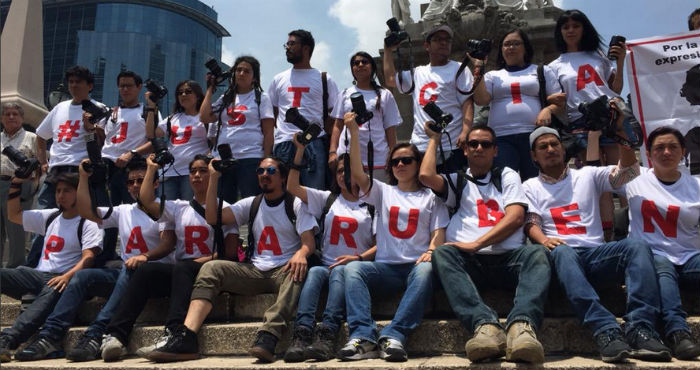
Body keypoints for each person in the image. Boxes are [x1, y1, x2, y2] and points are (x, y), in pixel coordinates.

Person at [523, 113, 672, 362]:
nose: (550, 149)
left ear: (563, 148)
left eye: (554, 144)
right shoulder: (529, 186)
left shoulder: (588, 174)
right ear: (534, 156)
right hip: (561, 257)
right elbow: (531, 222)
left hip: (595, 254)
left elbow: (626, 175)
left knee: (636, 246)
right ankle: (606, 330)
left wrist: (624, 142)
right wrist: (544, 240)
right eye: (543, 147)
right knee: (562, 251)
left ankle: (641, 328)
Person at [145, 155, 317, 363]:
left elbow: (309, 242)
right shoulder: (251, 204)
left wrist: (301, 253)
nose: (264, 175)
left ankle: (269, 336)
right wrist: (215, 178)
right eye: (260, 171)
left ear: (283, 178)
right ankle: (187, 336)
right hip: (255, 270)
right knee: (212, 268)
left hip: (284, 269)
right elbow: (212, 218)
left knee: (297, 270)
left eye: (271, 171)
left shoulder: (296, 204)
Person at [13, 158, 176, 362]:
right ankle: (50, 336)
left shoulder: (164, 209)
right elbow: (86, 211)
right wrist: (83, 177)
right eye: (130, 182)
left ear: (154, 183)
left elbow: (168, 244)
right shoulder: (123, 210)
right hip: (127, 274)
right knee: (82, 276)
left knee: (131, 267)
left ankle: (96, 333)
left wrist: (145, 256)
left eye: (141, 180)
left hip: (155, 274)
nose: (135, 185)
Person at [422, 123, 550, 364]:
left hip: (509, 259)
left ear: (495, 150)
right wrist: (434, 139)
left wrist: (477, 243)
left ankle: (522, 328)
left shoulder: (507, 175)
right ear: (465, 150)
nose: (479, 148)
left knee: (537, 254)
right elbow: (426, 176)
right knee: (442, 254)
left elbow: (516, 217)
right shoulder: (457, 180)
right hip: (471, 263)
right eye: (473, 144)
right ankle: (486, 327)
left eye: (486, 144)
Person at [99, 154, 238, 361]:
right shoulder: (179, 207)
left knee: (182, 267)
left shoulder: (226, 209)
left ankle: (173, 333)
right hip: (182, 273)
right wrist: (151, 168)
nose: (197, 175)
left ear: (213, 173)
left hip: (210, 271)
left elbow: (230, 252)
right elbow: (146, 201)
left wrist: (195, 263)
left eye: (203, 170)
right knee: (145, 269)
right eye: (193, 172)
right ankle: (116, 335)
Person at [337, 113, 449, 362]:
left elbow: (438, 233)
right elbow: (357, 173)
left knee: (426, 269)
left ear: (417, 164)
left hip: (415, 267)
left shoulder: (431, 197)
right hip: (385, 267)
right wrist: (354, 133)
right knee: (353, 269)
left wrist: (431, 251)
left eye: (407, 160)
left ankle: (394, 335)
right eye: (395, 161)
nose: (400, 165)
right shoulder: (383, 192)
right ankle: (363, 337)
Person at [283, 134, 376, 362]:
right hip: (325, 264)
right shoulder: (327, 199)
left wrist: (358, 258)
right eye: (340, 171)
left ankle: (328, 334)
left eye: (349, 169)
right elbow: (292, 186)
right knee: (314, 272)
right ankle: (302, 334)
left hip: (353, 267)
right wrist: (300, 151)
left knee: (341, 272)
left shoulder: (373, 204)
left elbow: (381, 244)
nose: (344, 175)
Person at [0, 173, 103, 363]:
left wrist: (67, 276)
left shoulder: (88, 221)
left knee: (52, 285)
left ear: (79, 193)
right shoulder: (51, 217)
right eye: (58, 191)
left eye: (67, 191)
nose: (60, 195)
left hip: (65, 279)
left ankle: (8, 338)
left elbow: (89, 258)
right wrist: (15, 184)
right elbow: (13, 215)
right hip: (37, 276)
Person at [617, 126, 700, 360]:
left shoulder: (696, 186)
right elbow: (618, 171)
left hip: (689, 258)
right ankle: (678, 332)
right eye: (659, 148)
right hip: (652, 257)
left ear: (683, 151)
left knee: (669, 267)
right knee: (663, 267)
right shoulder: (636, 177)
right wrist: (621, 135)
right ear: (649, 154)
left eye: (673, 147)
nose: (666, 152)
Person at [548, 9, 627, 239]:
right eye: (565, 27)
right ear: (560, 32)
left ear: (585, 28)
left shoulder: (599, 56)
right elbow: (560, 101)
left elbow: (616, 89)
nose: (571, 31)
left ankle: (631, 225)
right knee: (596, 180)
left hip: (610, 114)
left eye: (576, 26)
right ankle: (607, 232)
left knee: (622, 176)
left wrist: (620, 63)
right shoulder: (555, 65)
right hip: (581, 121)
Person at [29, 66, 113, 267]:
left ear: (89, 86)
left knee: (88, 218)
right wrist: (43, 163)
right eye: (71, 82)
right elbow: (41, 136)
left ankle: (87, 265)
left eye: (79, 82)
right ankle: (33, 264)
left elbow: (104, 144)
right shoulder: (60, 108)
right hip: (56, 169)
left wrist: (91, 128)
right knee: (43, 217)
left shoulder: (99, 109)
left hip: (82, 171)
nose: (74, 86)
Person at [471, 28, 563, 181]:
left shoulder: (542, 71)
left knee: (537, 182)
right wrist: (479, 68)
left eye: (516, 43)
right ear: (501, 50)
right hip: (501, 137)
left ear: (525, 47)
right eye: (506, 44)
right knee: (505, 183)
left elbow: (560, 102)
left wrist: (547, 110)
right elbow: (481, 100)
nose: (511, 47)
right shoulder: (493, 75)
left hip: (534, 136)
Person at [383, 24, 474, 172]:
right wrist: (388, 50)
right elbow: (391, 79)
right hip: (420, 145)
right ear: (427, 45)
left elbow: (467, 103)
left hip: (451, 144)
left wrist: (465, 131)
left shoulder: (459, 68)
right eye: (438, 39)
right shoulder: (418, 72)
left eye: (447, 40)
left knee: (451, 191)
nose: (444, 43)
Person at [268, 29, 339, 190]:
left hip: (314, 142)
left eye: (292, 44)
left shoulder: (324, 78)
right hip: (284, 143)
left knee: (313, 195)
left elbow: (334, 116)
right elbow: (273, 113)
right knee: (283, 195)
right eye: (287, 44)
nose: (287, 48)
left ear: (306, 48)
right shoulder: (278, 79)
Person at [201, 55, 274, 202]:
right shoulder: (226, 97)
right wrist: (210, 89)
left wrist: (266, 159)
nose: (241, 74)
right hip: (223, 158)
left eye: (246, 71)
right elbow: (205, 117)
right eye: (238, 70)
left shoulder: (261, 97)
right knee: (223, 204)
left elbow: (268, 132)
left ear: (254, 77)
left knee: (252, 203)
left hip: (251, 157)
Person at [329, 52, 401, 183]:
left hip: (378, 157)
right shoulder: (344, 94)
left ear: (372, 67)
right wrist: (332, 152)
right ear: (352, 69)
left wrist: (393, 154)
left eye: (364, 62)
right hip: (348, 155)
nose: (360, 65)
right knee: (352, 199)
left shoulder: (385, 94)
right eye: (356, 63)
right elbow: (337, 126)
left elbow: (390, 128)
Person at [98, 70, 158, 206]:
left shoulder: (147, 110)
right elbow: (100, 139)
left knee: (134, 209)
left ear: (139, 87)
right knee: (106, 211)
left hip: (133, 169)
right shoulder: (110, 112)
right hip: (107, 168)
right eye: (121, 86)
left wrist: (132, 154)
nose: (125, 89)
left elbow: (154, 141)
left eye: (129, 86)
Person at [147, 80, 209, 201]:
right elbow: (151, 133)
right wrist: (151, 107)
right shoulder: (173, 117)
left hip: (191, 173)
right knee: (167, 213)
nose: (183, 95)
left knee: (190, 210)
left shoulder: (204, 117)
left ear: (197, 95)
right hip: (169, 172)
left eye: (188, 91)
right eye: (180, 93)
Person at [0, 102, 36, 267]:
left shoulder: (32, 138)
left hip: (18, 186)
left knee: (17, 232)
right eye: (7, 114)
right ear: (2, 118)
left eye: (15, 114)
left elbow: (42, 165)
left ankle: (14, 274)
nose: (11, 117)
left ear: (22, 118)